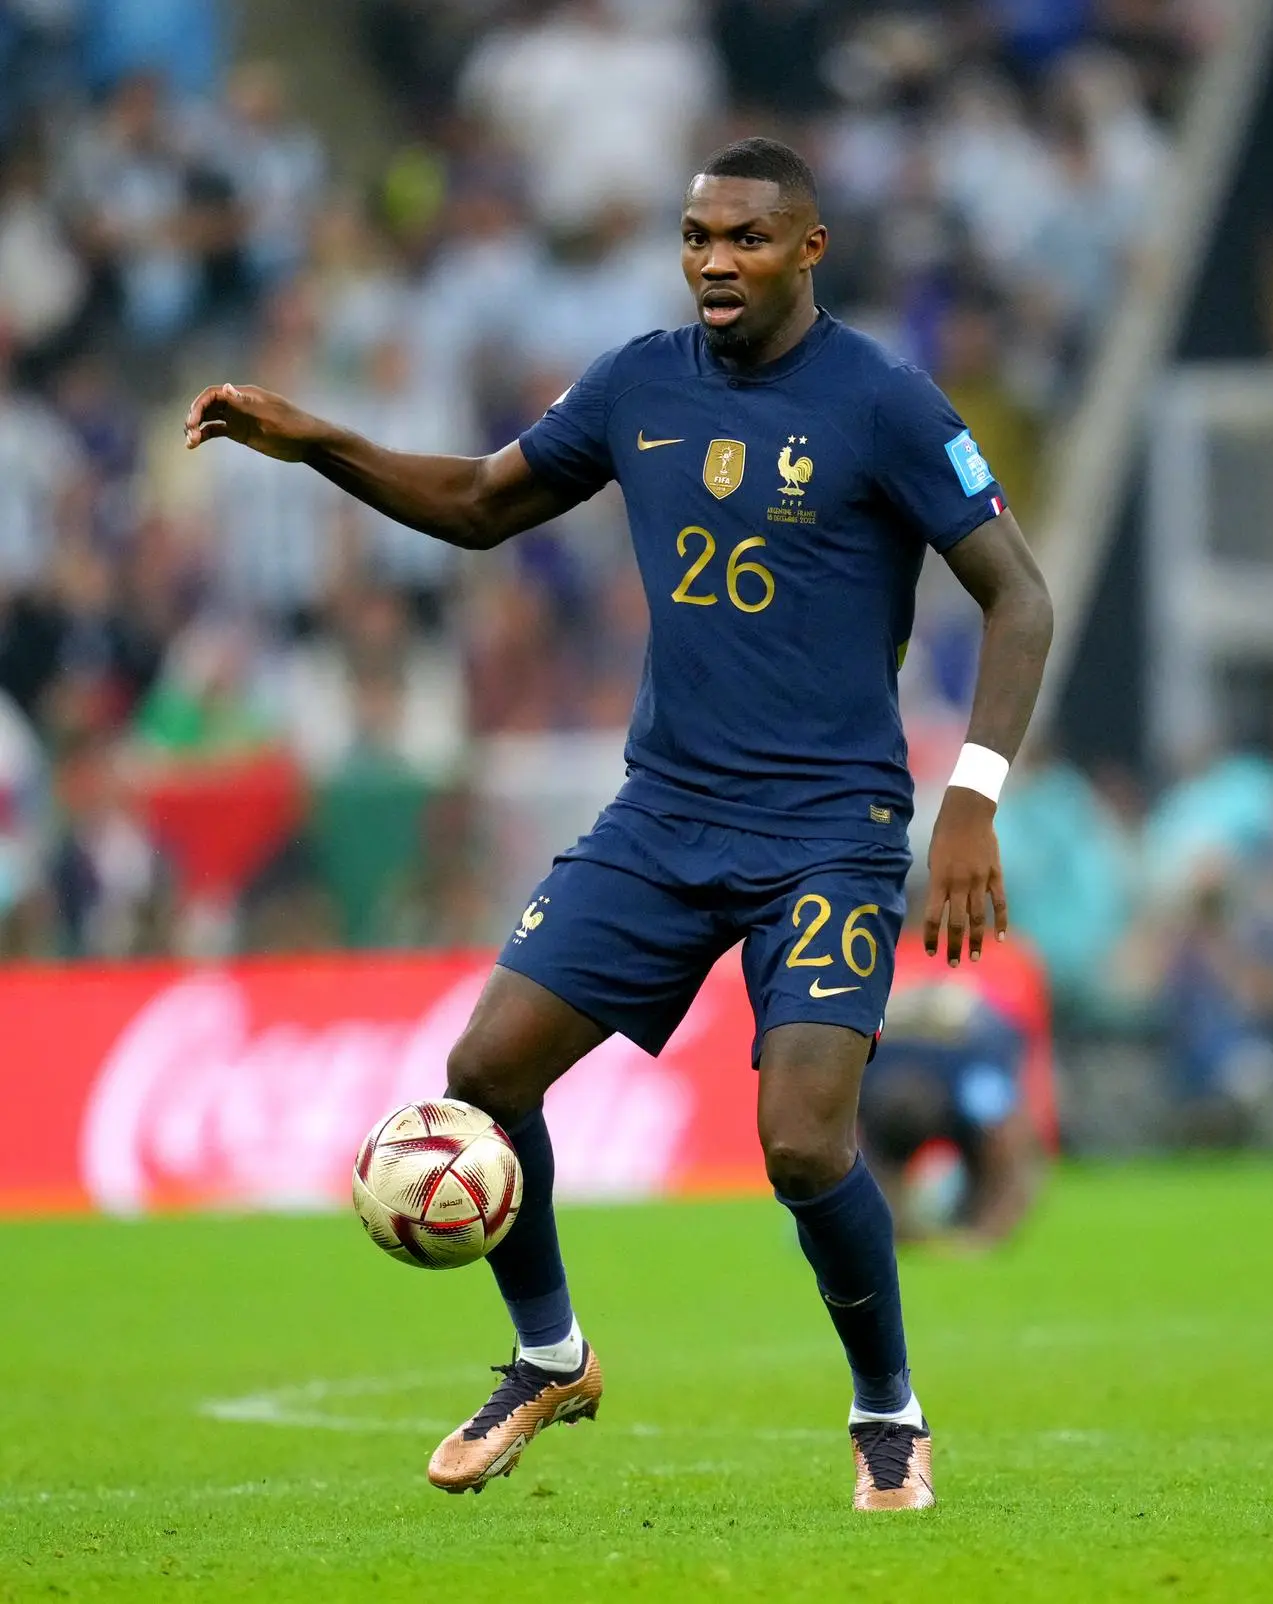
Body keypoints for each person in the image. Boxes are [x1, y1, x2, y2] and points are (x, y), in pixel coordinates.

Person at [184, 138, 1054, 1512]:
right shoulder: (638, 382)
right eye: (700, 235)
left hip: (829, 829)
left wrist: (973, 806)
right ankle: (550, 1356)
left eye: (750, 238)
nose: (717, 259)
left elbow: (1020, 596)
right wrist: (324, 447)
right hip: (665, 814)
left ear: (809, 249)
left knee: (807, 1144)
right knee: (484, 1071)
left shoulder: (883, 402)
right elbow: (481, 505)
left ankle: (887, 1408)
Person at [858, 979, 1043, 1247]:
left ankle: (971, 1217)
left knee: (988, 1166)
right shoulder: (864, 1070)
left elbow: (1011, 1146)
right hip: (893, 1036)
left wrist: (987, 1235)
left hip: (973, 1032)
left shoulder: (972, 1074)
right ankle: (895, 1221)